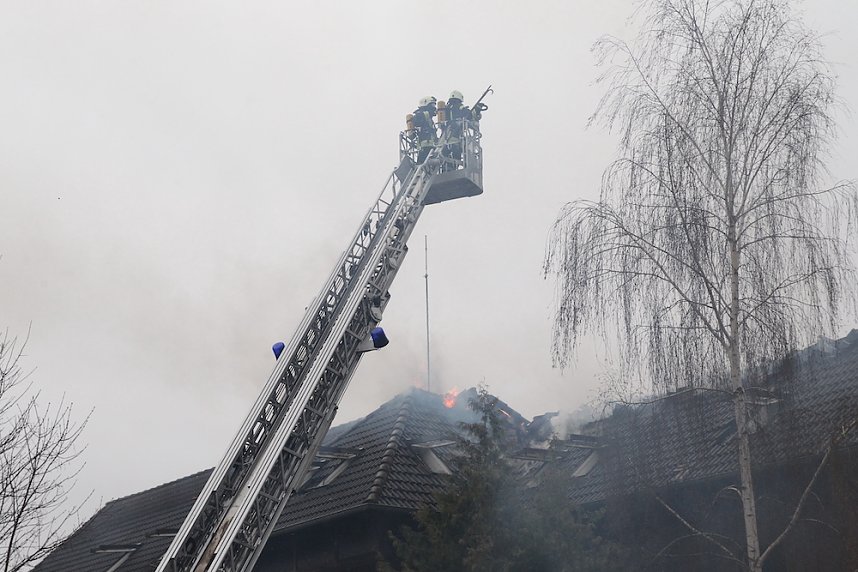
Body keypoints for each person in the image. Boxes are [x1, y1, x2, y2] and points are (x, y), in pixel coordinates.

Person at [443, 90, 474, 166]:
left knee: (445, 157)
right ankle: (453, 167)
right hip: (455, 137)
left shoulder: (446, 108)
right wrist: (475, 111)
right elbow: (469, 115)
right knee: (456, 157)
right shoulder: (459, 106)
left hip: (445, 137)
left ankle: (446, 169)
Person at [411, 96, 438, 164]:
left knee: (427, 166)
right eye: (432, 105)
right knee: (422, 164)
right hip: (425, 146)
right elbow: (417, 119)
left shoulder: (428, 119)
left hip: (429, 146)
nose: (434, 107)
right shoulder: (422, 115)